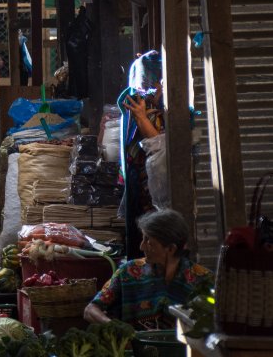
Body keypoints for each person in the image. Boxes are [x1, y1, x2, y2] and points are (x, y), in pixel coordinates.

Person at [84, 209, 212, 328]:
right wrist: (118, 329)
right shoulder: (129, 272)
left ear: (171, 249)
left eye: (149, 242)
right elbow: (91, 310)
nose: (141, 247)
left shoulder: (202, 280)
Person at [118, 50, 164, 257]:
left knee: (151, 233)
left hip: (150, 180)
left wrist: (142, 118)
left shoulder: (149, 107)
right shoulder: (140, 105)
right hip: (144, 178)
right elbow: (154, 143)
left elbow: (157, 144)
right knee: (146, 234)